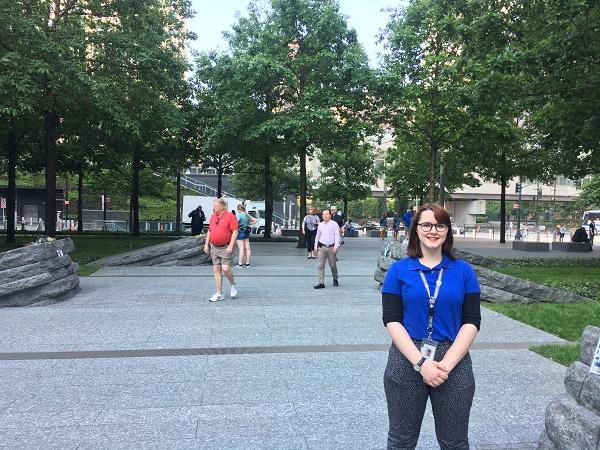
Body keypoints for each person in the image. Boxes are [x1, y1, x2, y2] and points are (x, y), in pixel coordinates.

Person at [381, 203, 481, 450]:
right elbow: (392, 320)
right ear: (416, 229)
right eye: (426, 225)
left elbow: (472, 321)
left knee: (455, 442)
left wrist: (444, 365)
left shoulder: (464, 271)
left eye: (440, 225)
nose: (433, 230)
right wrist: (421, 363)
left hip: (453, 358)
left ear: (447, 231)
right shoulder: (398, 271)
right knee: (401, 441)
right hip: (407, 357)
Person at [203, 198, 239, 302]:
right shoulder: (213, 217)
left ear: (222, 206)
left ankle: (233, 284)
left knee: (226, 268)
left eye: (215, 206)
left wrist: (231, 246)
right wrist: (206, 244)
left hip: (226, 247)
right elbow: (210, 231)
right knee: (217, 269)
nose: (213, 207)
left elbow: (235, 232)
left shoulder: (230, 216)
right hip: (214, 247)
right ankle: (219, 293)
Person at [314, 208, 341, 289]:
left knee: (332, 265)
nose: (325, 216)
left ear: (330, 215)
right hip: (321, 247)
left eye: (326, 214)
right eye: (323, 215)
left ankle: (335, 278)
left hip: (331, 247)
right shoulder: (320, 225)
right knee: (320, 266)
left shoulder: (334, 224)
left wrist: (336, 246)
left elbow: (337, 236)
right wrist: (315, 246)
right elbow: (317, 236)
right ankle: (321, 282)